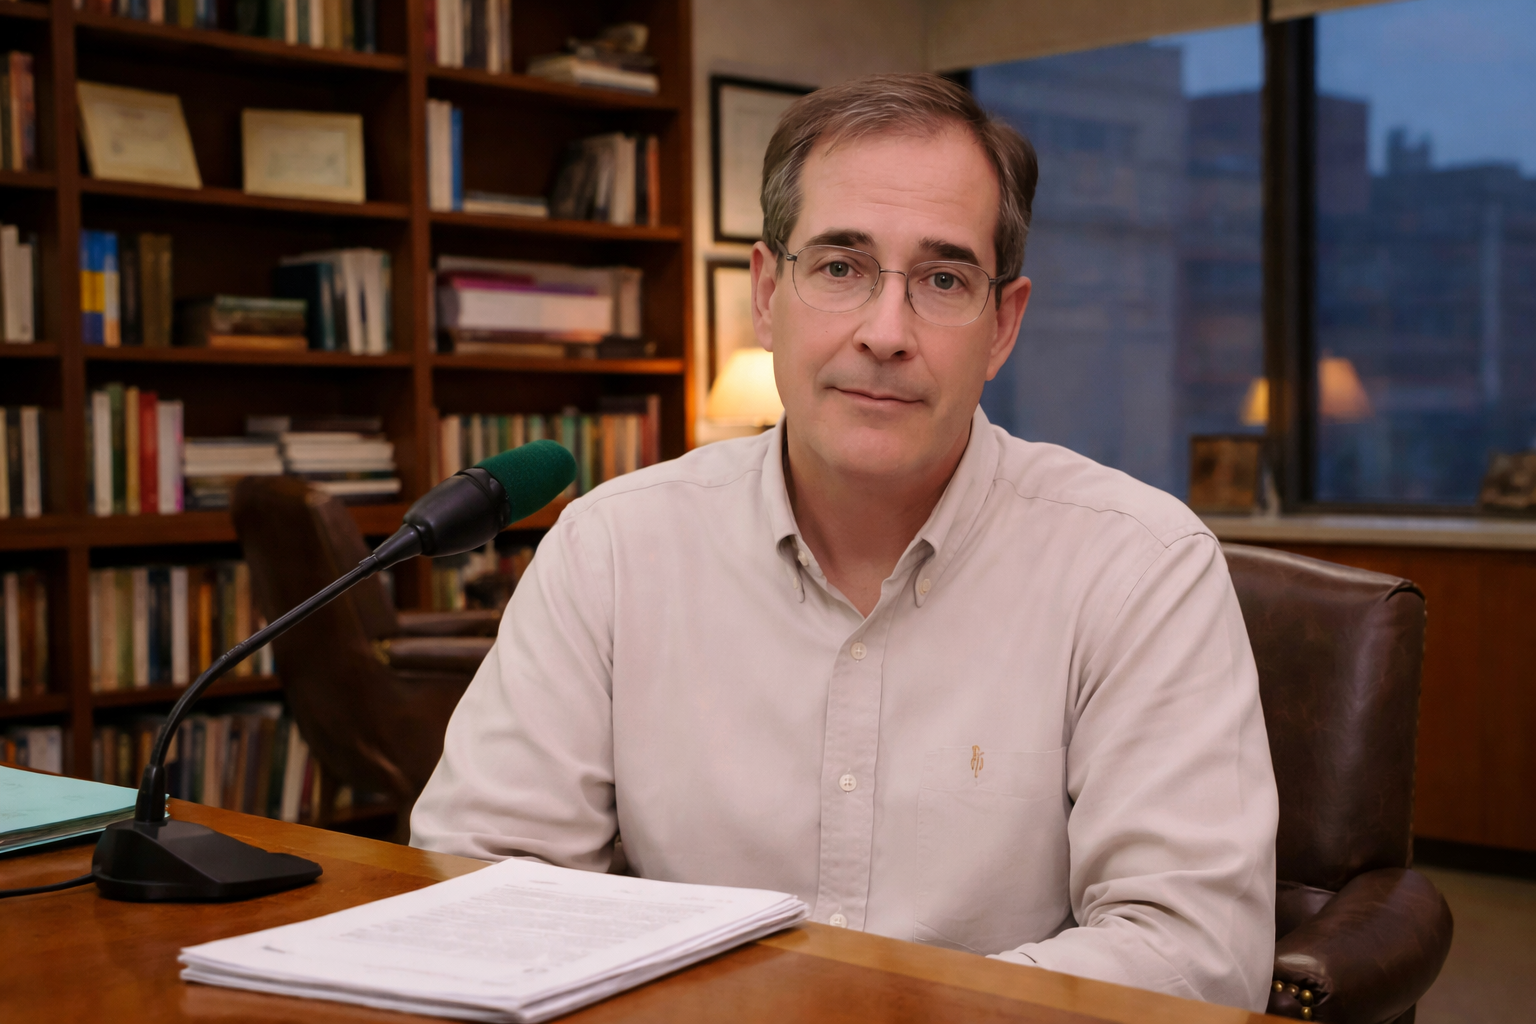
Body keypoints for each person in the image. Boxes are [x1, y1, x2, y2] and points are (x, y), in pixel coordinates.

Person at [411, 72, 1278, 1011]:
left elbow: (1194, 955)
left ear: (1002, 326)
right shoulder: (611, 549)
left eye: (943, 280)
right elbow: (481, 885)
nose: (886, 332)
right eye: (839, 267)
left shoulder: (1141, 566)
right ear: (766, 292)